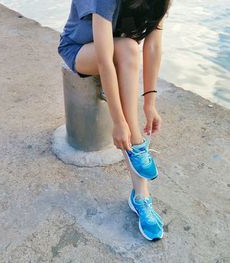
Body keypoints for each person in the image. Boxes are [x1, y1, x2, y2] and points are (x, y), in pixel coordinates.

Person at [57, 0, 171, 241]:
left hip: (117, 45)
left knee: (128, 48)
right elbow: (104, 59)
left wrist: (150, 102)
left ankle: (140, 198)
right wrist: (118, 122)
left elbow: (153, 44)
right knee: (128, 49)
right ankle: (138, 147)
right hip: (80, 49)